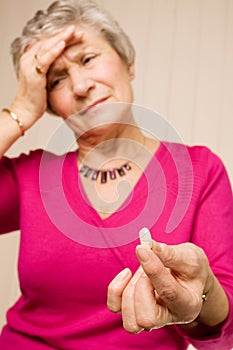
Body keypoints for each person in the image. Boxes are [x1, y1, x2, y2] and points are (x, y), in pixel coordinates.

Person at [0, 0, 232, 349]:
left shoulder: (200, 170)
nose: (79, 86)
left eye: (87, 59)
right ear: (47, 102)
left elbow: (223, 326)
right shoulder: (30, 177)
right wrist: (20, 110)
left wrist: (201, 295)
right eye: (57, 80)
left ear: (128, 62)